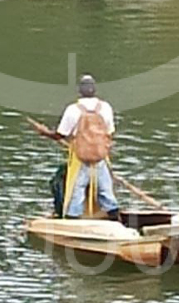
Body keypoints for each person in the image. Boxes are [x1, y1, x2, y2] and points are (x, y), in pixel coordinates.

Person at [34, 74, 120, 220]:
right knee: (106, 189)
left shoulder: (73, 109)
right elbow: (110, 132)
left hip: (81, 158)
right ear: (95, 90)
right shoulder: (105, 108)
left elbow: (60, 134)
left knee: (77, 189)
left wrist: (45, 133)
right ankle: (115, 217)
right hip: (100, 156)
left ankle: (73, 219)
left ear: (79, 91)